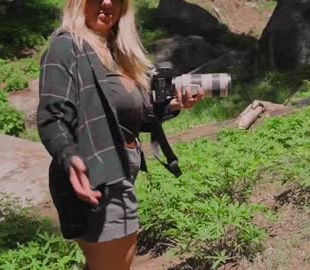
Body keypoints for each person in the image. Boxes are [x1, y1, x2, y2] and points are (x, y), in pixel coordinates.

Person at [36, 0, 204, 269]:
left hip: (120, 171)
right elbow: (52, 116)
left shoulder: (116, 53)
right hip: (97, 177)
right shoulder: (67, 47)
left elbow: (129, 118)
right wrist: (69, 156)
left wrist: (173, 105)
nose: (107, 2)